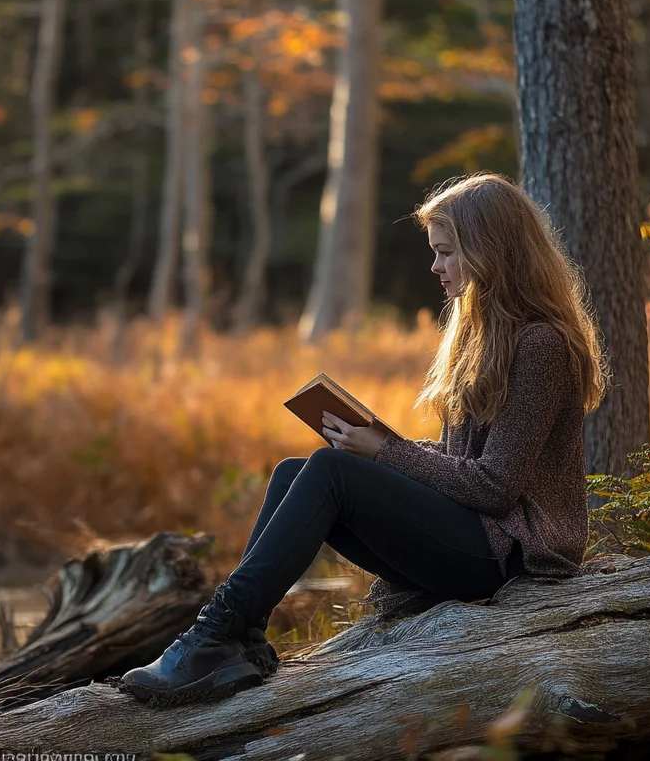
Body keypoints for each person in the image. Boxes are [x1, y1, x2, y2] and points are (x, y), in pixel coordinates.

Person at [117, 171, 609, 708]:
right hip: (479, 540)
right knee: (293, 471)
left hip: (515, 556)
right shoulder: (485, 334)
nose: (435, 266)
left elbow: (494, 488)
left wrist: (385, 453)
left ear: (489, 251)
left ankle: (212, 636)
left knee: (333, 472)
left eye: (446, 253)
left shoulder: (542, 345)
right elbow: (463, 462)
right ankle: (243, 639)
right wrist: (379, 441)